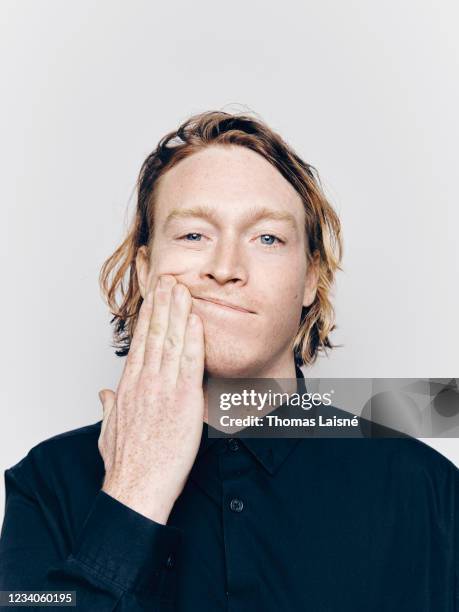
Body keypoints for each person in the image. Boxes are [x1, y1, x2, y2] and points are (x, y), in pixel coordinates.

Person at [0, 111, 457, 611]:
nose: (225, 269)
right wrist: (135, 493)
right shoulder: (47, 481)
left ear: (310, 279)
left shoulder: (427, 491)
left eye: (267, 239)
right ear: (146, 269)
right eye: (195, 235)